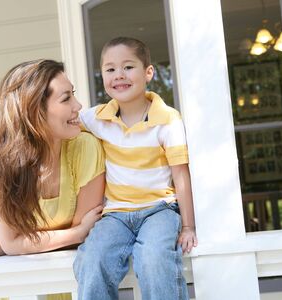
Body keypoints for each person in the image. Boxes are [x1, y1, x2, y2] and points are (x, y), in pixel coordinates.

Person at [73, 37, 197, 300]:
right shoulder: (97, 118)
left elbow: (180, 174)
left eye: (128, 67)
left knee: (154, 260)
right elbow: (63, 122)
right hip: (116, 214)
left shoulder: (167, 120)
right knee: (92, 259)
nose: (119, 75)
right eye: (110, 69)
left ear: (148, 73)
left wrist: (188, 226)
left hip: (159, 211)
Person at [0, 59, 105, 300]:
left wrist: (10, 244)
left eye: (73, 95)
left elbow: (86, 239)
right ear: (34, 111)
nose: (78, 105)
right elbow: (77, 234)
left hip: (69, 288)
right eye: (66, 99)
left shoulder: (85, 148)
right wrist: (75, 232)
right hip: (19, 292)